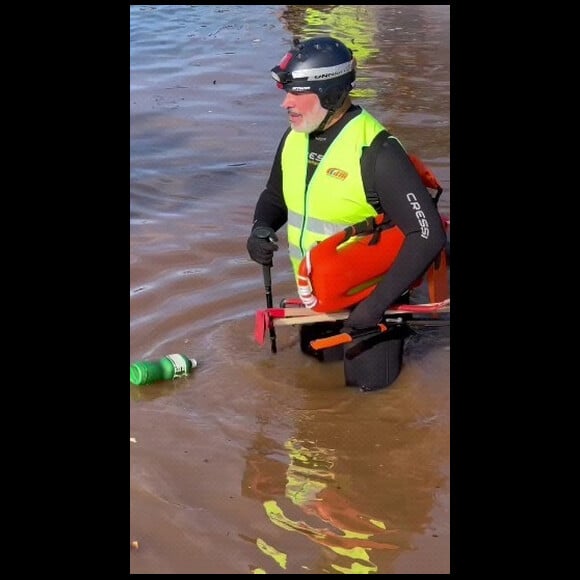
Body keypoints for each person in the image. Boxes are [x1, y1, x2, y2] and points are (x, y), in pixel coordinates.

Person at [246, 36, 447, 391]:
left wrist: (374, 307)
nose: (285, 103)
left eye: (296, 93)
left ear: (328, 93)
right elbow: (275, 195)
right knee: (314, 394)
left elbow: (428, 233)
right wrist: (260, 227)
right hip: (320, 297)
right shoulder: (294, 138)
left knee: (369, 404)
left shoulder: (378, 152)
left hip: (372, 308)